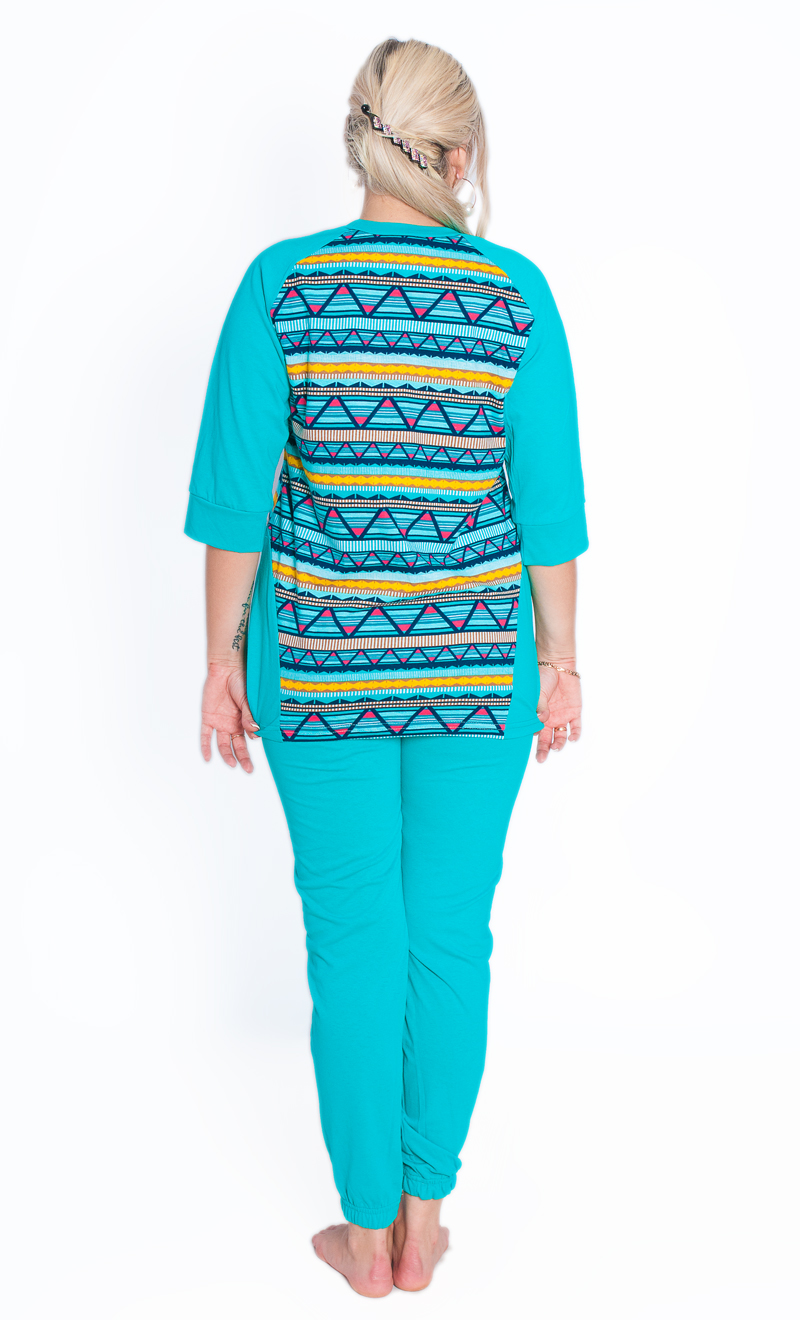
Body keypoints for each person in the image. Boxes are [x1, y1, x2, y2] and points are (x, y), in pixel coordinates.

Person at [184, 36, 588, 1298]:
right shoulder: (514, 297)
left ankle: (362, 1237)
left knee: (351, 936)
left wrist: (220, 660)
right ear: (458, 159)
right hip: (475, 676)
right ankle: (424, 1218)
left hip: (319, 674)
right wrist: (563, 660)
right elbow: (549, 514)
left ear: (360, 142)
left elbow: (236, 507)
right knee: (448, 939)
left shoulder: (281, 286)